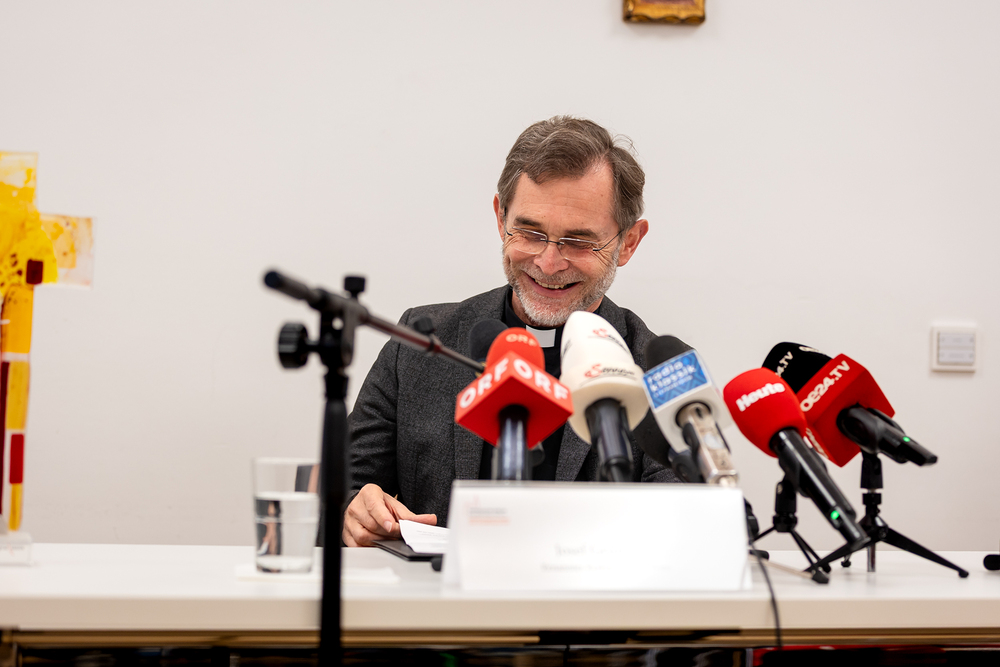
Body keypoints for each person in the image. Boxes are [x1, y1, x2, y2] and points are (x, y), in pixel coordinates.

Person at [343, 116, 678, 547]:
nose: (548, 263)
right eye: (531, 232)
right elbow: (341, 497)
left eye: (579, 242)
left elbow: (685, 529)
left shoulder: (661, 371)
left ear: (628, 242)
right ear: (501, 218)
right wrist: (356, 511)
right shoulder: (419, 345)